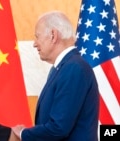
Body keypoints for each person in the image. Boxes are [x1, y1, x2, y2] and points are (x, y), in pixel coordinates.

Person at [12, 11, 99, 141]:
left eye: (37, 36)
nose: (35, 44)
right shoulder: (63, 68)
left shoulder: (74, 68)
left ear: (53, 35)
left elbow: (59, 127)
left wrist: (22, 133)